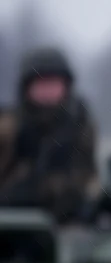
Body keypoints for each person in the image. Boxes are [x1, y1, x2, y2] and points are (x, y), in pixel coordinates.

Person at [0, 47, 98, 225]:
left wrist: (53, 189)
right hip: (11, 220)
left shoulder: (79, 126)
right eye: (41, 84)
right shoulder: (8, 127)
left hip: (66, 221)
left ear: (66, 87)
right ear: (27, 87)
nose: (47, 91)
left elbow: (87, 176)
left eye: (53, 84)